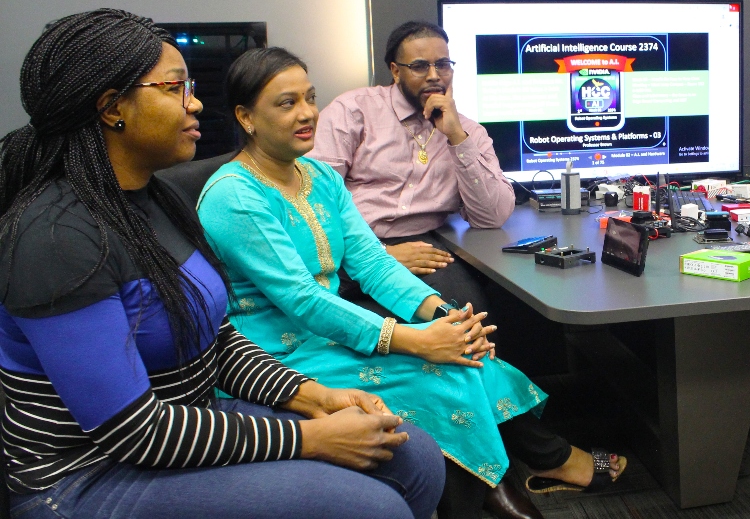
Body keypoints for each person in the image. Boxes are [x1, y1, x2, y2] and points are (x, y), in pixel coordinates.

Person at [0, 9, 445, 519]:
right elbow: (131, 430)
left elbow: (215, 335)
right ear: (111, 108)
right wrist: (308, 437)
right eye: (174, 88)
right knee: (372, 507)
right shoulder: (56, 238)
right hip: (92, 474)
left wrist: (311, 396)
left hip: (187, 423)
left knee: (413, 455)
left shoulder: (158, 199)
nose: (196, 102)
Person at [197, 47, 625, 519]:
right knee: (445, 375)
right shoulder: (233, 195)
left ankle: (490, 489)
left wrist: (446, 319)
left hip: (325, 330)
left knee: (466, 354)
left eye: (310, 97)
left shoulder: (317, 175)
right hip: (270, 353)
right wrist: (419, 343)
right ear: (245, 117)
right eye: (286, 103)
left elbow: (372, 264)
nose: (307, 114)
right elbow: (303, 298)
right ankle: (494, 490)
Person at [308, 21, 513, 315]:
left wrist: (456, 138)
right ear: (395, 71)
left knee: (468, 315)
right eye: (419, 66)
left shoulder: (468, 132)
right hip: (347, 244)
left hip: (422, 244)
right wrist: (379, 255)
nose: (434, 76)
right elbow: (316, 202)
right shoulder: (353, 111)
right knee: (366, 322)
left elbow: (492, 217)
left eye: (442, 65)